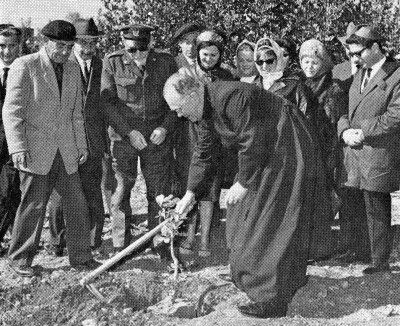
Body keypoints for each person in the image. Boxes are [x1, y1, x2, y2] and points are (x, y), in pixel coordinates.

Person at [164, 72, 330, 318]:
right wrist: (190, 194)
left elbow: (251, 140)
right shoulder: (203, 109)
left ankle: (271, 299)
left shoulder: (232, 96)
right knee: (245, 218)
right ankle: (262, 277)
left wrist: (243, 182)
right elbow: (204, 152)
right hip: (265, 152)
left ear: (192, 94)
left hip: (285, 147)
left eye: (178, 108)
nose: (178, 114)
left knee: (271, 219)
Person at [2, 20, 97, 277]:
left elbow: (77, 113)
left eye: (69, 46)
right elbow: (12, 113)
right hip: (34, 151)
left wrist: (81, 145)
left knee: (77, 204)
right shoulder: (25, 65)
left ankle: (81, 258)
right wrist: (17, 147)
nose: (65, 52)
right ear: (46, 42)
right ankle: (20, 258)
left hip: (66, 151)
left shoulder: (72, 68)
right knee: (33, 205)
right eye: (60, 46)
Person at [101, 24, 178, 254]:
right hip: (124, 138)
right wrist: (128, 132)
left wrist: (165, 128)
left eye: (142, 49)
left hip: (156, 139)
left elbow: (177, 100)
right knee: (121, 190)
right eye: (132, 50)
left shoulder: (165, 62)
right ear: (123, 44)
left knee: (158, 192)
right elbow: (107, 103)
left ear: (150, 44)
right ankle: (120, 246)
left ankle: (159, 241)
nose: (138, 55)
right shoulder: (112, 62)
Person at [338, 25, 400, 274]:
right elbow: (345, 108)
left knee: (377, 208)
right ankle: (361, 252)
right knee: (356, 206)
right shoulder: (359, 74)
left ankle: (380, 262)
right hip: (354, 152)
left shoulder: (396, 75)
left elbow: (396, 116)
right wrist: (344, 130)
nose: (354, 58)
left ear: (375, 47)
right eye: (351, 54)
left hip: (377, 153)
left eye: (358, 53)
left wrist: (362, 130)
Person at [46, 18, 108, 256]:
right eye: (82, 42)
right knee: (60, 196)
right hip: (64, 141)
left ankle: (93, 240)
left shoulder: (104, 66)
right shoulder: (61, 63)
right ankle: (57, 242)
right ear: (74, 42)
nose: (88, 47)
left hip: (93, 141)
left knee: (92, 191)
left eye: (93, 42)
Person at [176, 29, 235, 258]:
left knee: (210, 190)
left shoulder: (227, 77)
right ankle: (190, 236)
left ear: (219, 56)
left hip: (216, 139)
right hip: (189, 137)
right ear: (198, 53)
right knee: (190, 187)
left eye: (213, 55)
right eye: (204, 54)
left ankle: (206, 239)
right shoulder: (186, 74)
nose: (208, 59)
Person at [299, 39, 350, 261]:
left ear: (324, 62)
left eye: (314, 62)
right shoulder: (300, 84)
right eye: (305, 61)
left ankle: (322, 246)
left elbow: (333, 122)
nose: (309, 66)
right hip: (305, 148)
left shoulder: (333, 88)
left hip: (326, 150)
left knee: (325, 197)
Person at [0, 25, 22, 254]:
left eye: (12, 46)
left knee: (8, 193)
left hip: (13, 145)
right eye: (2, 46)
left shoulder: (26, 70)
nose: (7, 52)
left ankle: (15, 243)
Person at [253, 37, 309, 112]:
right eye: (260, 62)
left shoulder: (294, 84)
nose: (264, 66)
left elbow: (304, 112)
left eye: (269, 61)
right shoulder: (253, 85)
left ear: (278, 59)